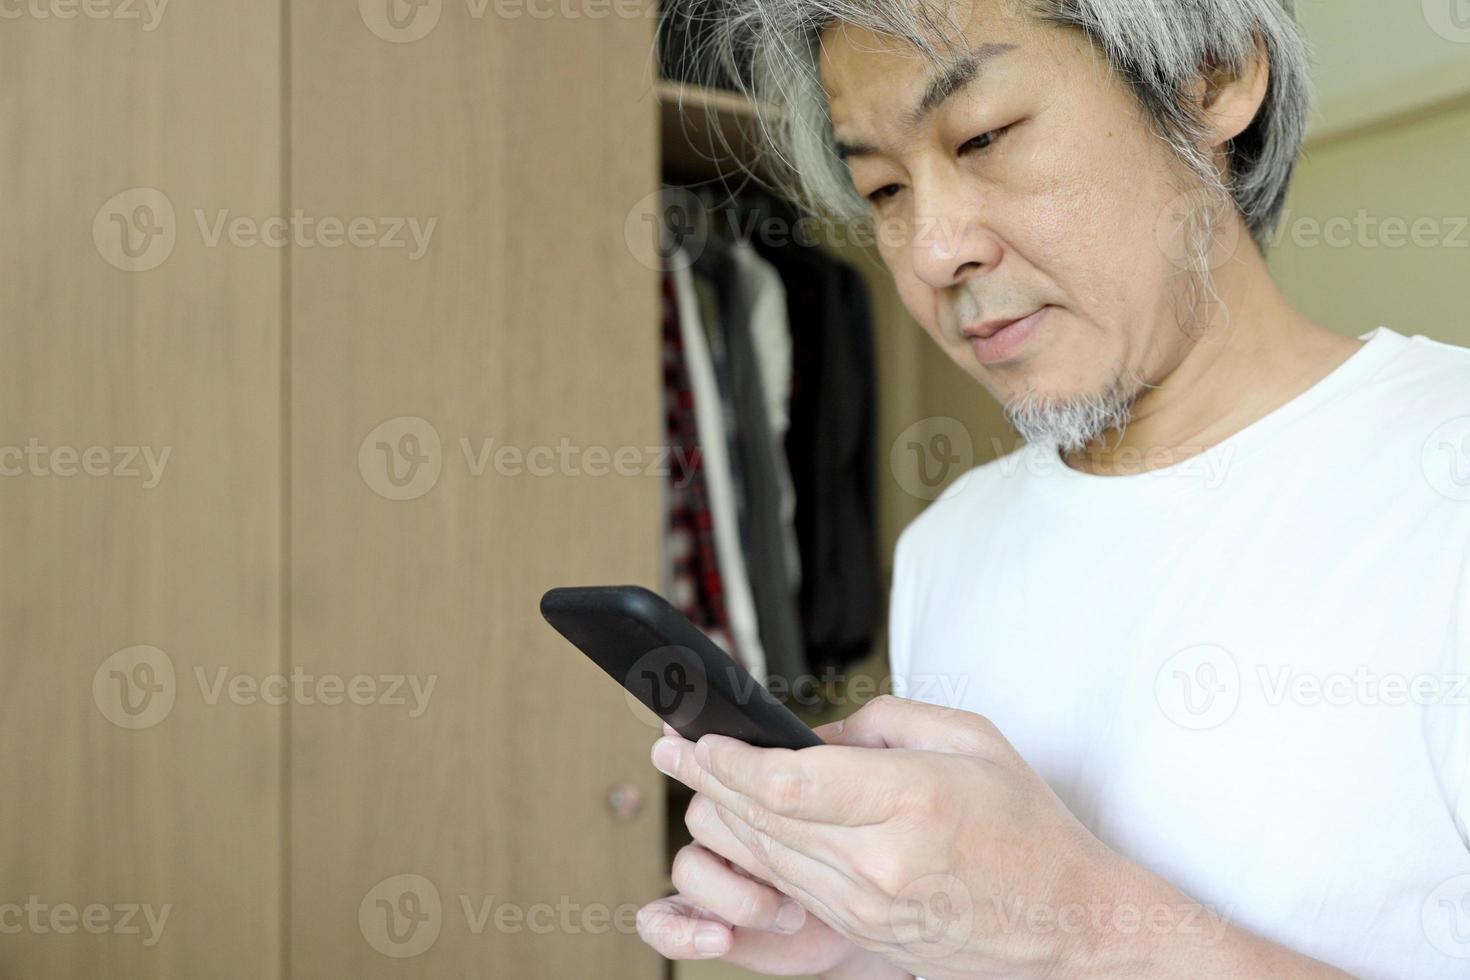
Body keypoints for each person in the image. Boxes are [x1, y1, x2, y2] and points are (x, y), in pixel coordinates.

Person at [637, 1, 1470, 977]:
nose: (933, 249)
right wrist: (868, 938)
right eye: (884, 188)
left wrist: (1079, 926)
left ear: (1212, 77)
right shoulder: (948, 542)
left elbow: (1051, 933)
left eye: (985, 136)